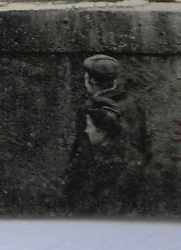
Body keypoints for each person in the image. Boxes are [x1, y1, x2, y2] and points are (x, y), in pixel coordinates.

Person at [61, 54, 152, 214]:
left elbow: (84, 151)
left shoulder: (91, 109)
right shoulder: (133, 104)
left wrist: (69, 188)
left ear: (90, 81)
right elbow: (144, 143)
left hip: (100, 182)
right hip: (132, 179)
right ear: (114, 81)